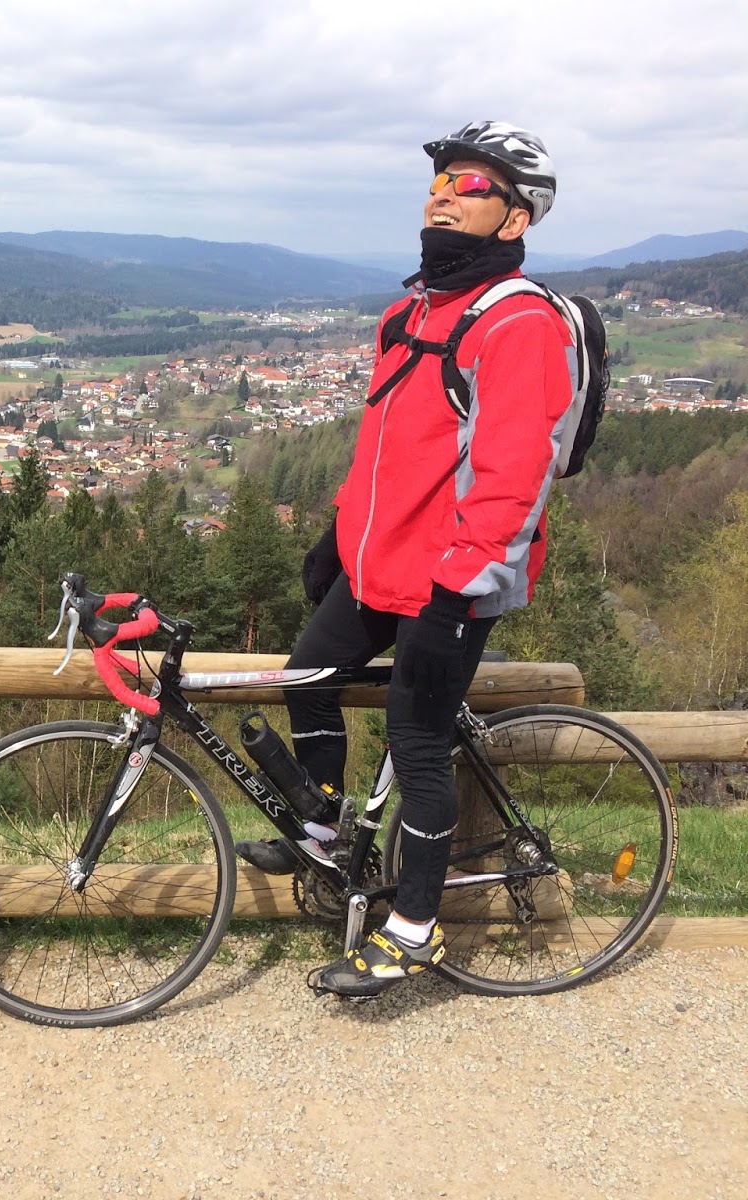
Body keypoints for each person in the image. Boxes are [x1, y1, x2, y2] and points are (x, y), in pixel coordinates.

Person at [234, 121, 575, 998]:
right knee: (306, 675)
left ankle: (415, 929)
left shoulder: (519, 323)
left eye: (469, 185)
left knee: (417, 742)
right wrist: (339, 537)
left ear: (515, 220)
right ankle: (323, 830)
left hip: (453, 579)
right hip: (381, 563)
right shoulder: (410, 314)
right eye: (439, 183)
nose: (442, 195)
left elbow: (514, 472)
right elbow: (384, 451)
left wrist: (463, 589)